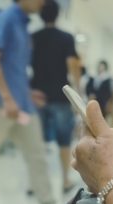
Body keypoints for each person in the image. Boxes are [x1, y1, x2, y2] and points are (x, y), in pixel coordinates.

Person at [0, 0, 59, 204]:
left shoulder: (24, 25)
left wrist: (27, 93)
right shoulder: (6, 19)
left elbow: (16, 68)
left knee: (37, 156)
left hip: (22, 105)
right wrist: (6, 97)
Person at [30, 0, 81, 193]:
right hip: (60, 96)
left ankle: (34, 183)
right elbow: (72, 65)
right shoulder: (66, 38)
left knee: (37, 142)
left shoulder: (33, 37)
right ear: (58, 15)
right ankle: (65, 180)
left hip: (37, 95)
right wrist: (78, 92)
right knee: (63, 140)